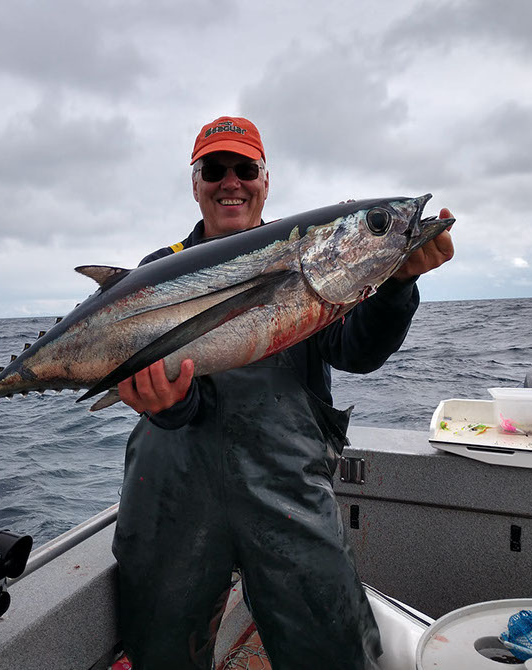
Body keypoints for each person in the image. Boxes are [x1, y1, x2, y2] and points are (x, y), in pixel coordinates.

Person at [112, 116, 454, 669]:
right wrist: (172, 406)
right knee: (162, 652)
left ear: (265, 180)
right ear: (194, 183)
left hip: (287, 487)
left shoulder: (316, 254)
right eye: (214, 169)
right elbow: (168, 387)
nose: (231, 181)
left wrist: (395, 286)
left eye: (245, 168)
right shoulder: (157, 272)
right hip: (173, 491)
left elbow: (356, 353)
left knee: (334, 652)